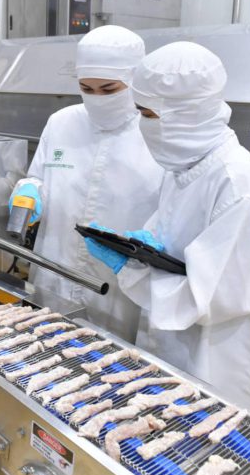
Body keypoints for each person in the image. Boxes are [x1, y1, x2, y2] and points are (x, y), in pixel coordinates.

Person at [85, 41, 250, 420]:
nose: (142, 125)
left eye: (148, 114)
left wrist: (133, 271)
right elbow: (173, 242)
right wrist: (137, 250)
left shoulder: (236, 183)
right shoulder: (185, 167)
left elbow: (206, 299)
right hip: (185, 345)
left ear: (184, 115)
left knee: (223, 440)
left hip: (224, 359)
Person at [9, 25, 164, 343]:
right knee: (44, 348)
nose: (97, 98)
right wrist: (30, 189)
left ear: (135, 80)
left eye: (109, 89)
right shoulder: (61, 122)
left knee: (110, 359)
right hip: (55, 270)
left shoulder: (156, 134)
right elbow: (39, 177)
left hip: (118, 285)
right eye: (86, 88)